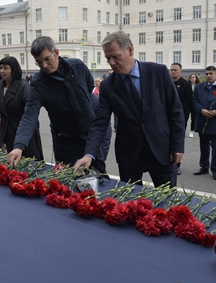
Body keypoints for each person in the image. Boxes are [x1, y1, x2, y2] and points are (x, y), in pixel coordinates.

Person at [74, 31, 185, 187]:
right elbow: (100, 122)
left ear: (130, 51)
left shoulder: (158, 72)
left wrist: (177, 145)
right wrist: (89, 154)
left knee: (166, 204)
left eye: (116, 57)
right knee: (131, 205)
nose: (111, 63)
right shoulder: (108, 85)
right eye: (108, 59)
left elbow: (175, 111)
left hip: (162, 151)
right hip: (130, 154)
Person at [6, 36, 105, 173]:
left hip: (91, 138)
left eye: (47, 59)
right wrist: (19, 146)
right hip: (66, 145)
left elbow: (89, 89)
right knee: (70, 186)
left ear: (56, 53)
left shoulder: (77, 66)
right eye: (39, 62)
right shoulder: (38, 84)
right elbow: (29, 115)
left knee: (101, 181)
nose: (44, 66)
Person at [0, 57, 43, 159]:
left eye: (6, 68)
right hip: (6, 133)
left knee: (26, 166)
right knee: (8, 165)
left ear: (13, 69)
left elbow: (30, 112)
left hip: (23, 133)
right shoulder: (0, 86)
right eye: (1, 68)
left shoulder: (23, 86)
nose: (2, 71)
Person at [170, 63, 192, 176]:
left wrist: (175, 108)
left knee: (177, 141)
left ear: (180, 71)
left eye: (175, 70)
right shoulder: (167, 82)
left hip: (180, 118)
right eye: (171, 70)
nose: (173, 72)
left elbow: (188, 102)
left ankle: (177, 165)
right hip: (166, 118)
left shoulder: (186, 85)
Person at [188, 73, 200, 138]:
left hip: (194, 104)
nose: (192, 78)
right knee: (185, 117)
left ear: (196, 78)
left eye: (193, 77)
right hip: (188, 104)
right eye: (191, 77)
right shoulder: (187, 85)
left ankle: (191, 131)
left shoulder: (198, 86)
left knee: (194, 118)